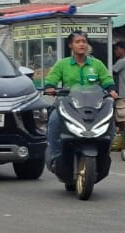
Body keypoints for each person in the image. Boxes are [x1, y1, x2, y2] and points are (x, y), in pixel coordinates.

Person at [42, 31, 118, 169]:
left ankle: (105, 154)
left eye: (84, 41)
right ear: (70, 45)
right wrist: (50, 87)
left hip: (93, 106)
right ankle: (55, 157)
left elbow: (107, 80)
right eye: (77, 42)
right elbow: (51, 80)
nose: (81, 44)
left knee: (110, 122)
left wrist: (112, 90)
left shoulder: (97, 64)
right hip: (68, 105)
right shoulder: (62, 64)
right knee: (54, 120)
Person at [111, 41, 125, 134]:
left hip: (121, 94)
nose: (115, 51)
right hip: (123, 94)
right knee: (119, 119)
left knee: (122, 118)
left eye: (117, 49)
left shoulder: (123, 61)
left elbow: (111, 70)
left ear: (123, 49)